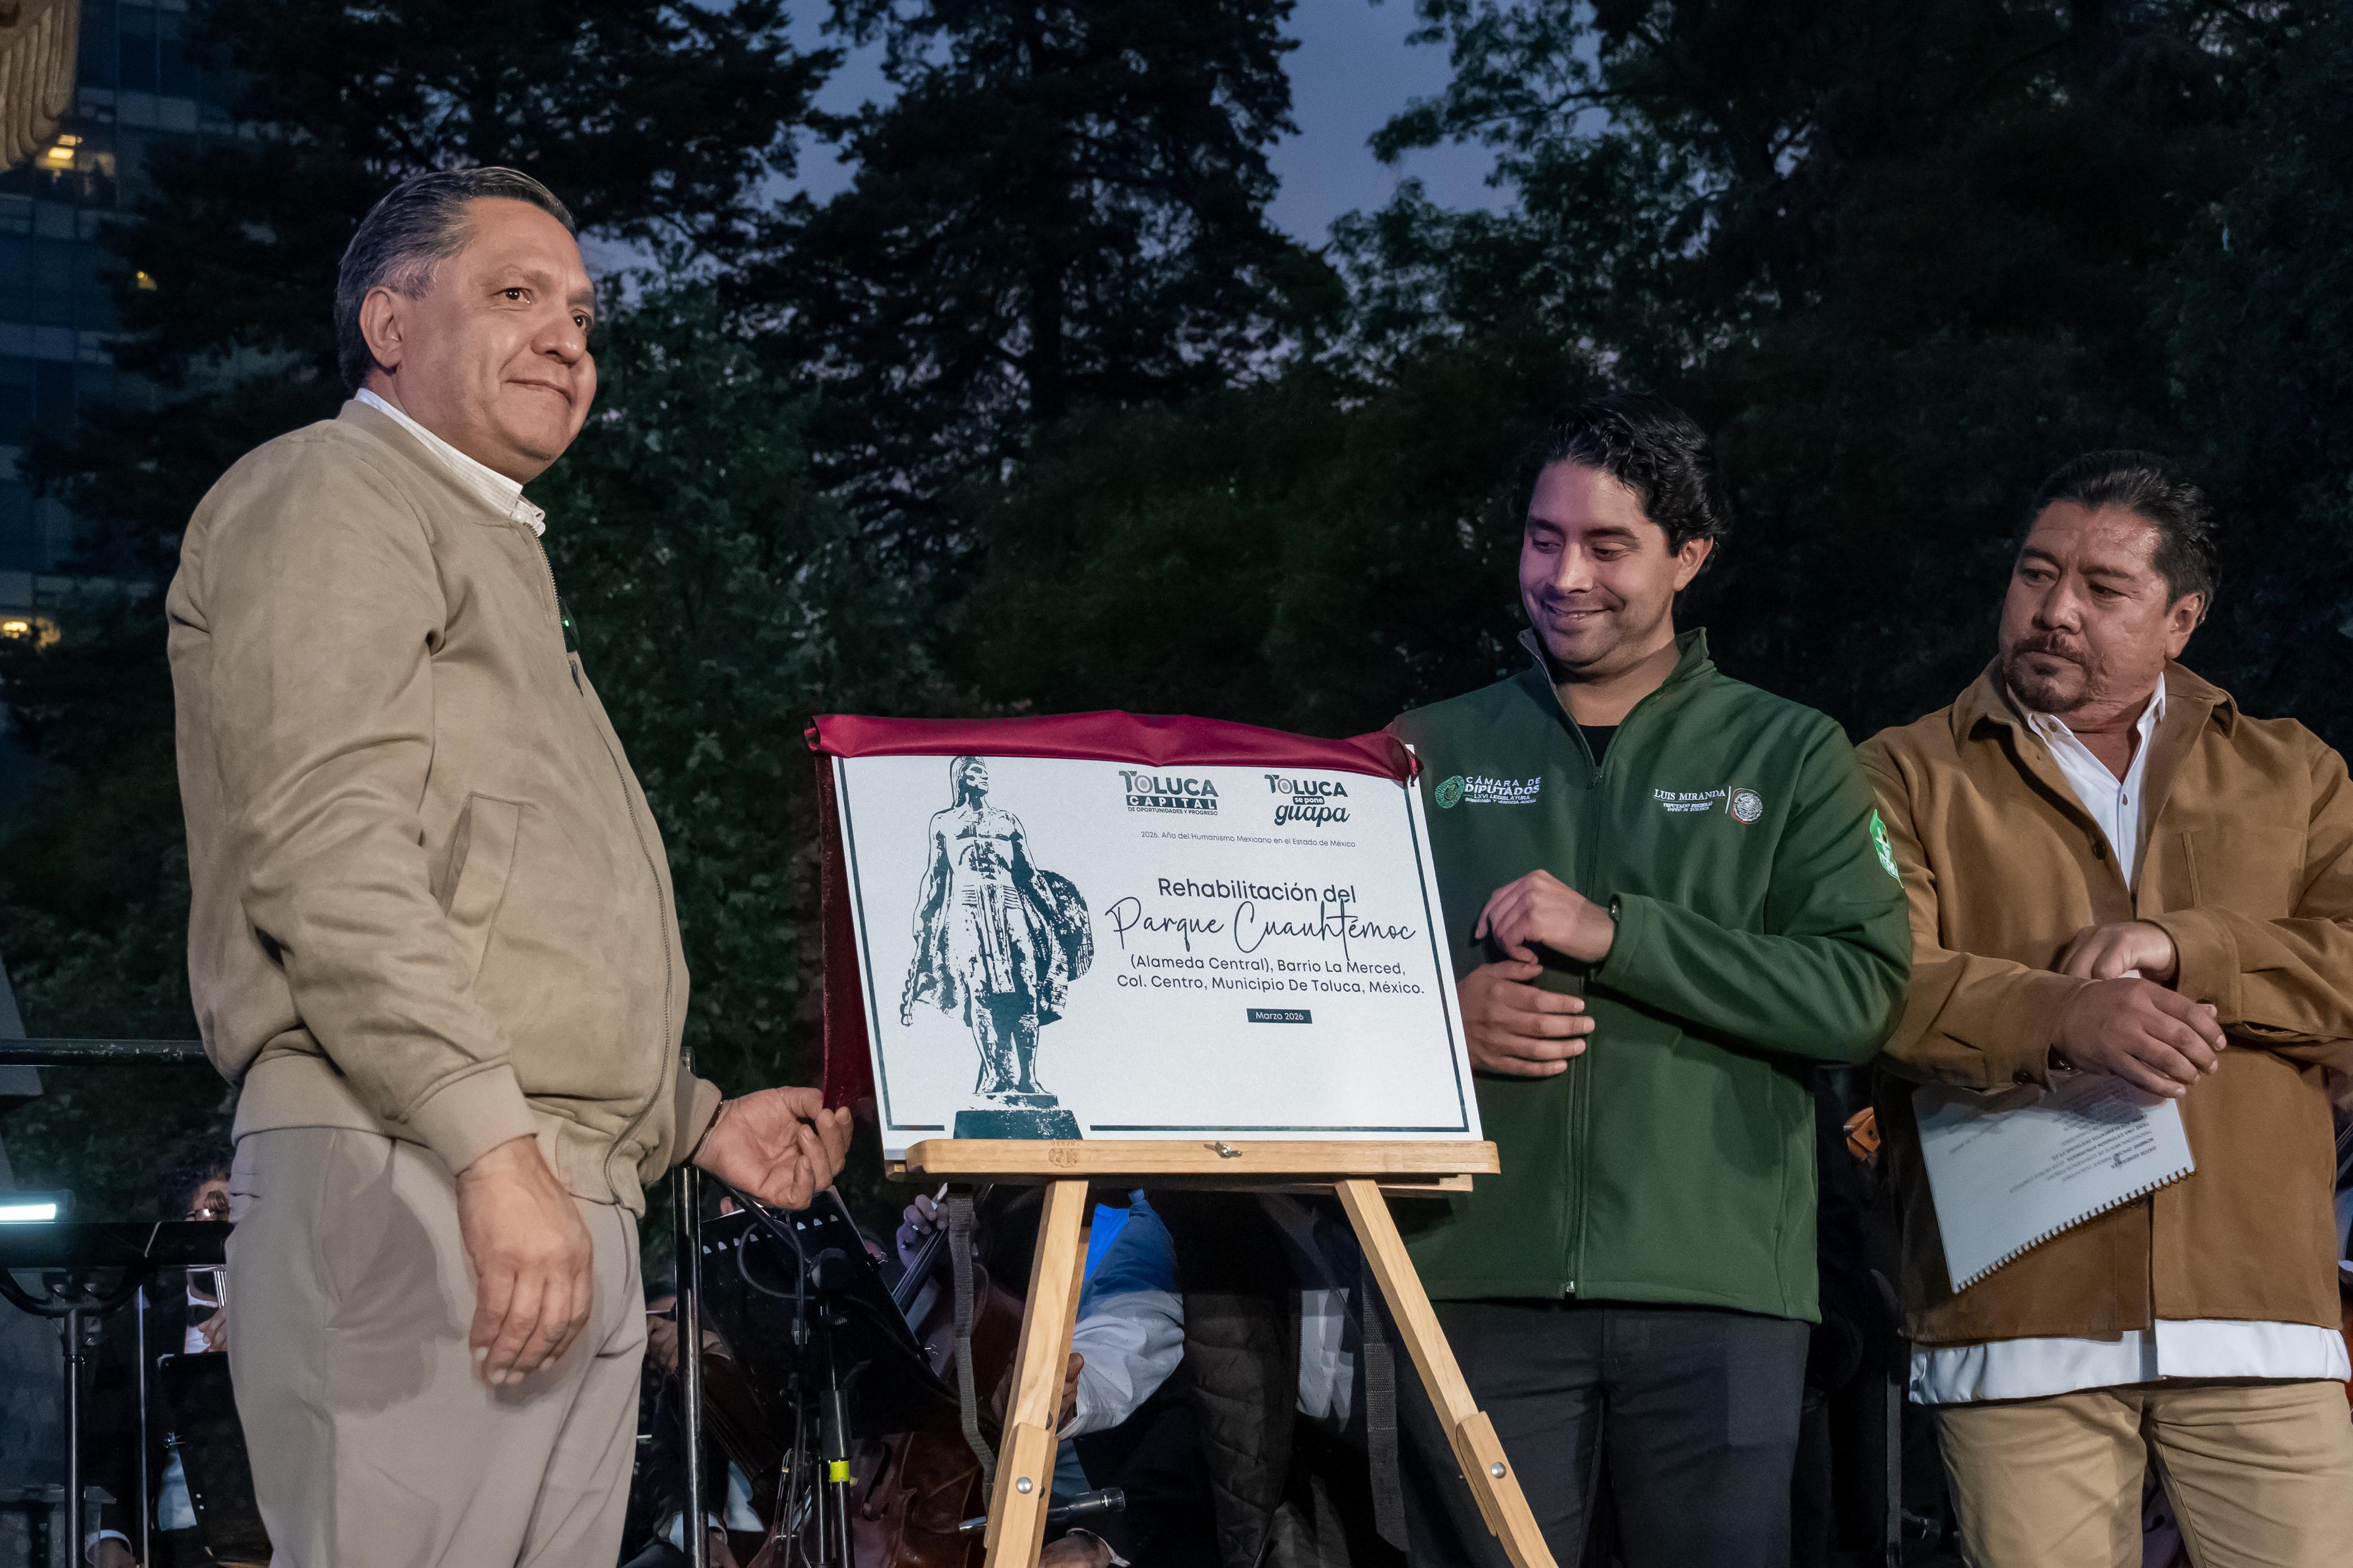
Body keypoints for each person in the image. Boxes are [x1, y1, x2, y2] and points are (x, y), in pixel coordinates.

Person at [165, 167, 851, 1568]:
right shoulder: (331, 491)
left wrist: (689, 1116)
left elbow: (504, 904)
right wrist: (491, 1143)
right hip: (422, 1164)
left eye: (585, 316)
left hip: (536, 1172)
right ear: (390, 322)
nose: (567, 340)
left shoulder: (495, 554)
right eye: (517, 296)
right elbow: (325, 852)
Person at [1390, 393, 1911, 1568]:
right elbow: (1322, 993)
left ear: (1689, 558)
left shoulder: (1790, 752)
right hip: (1468, 1275)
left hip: (1721, 1286)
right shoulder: (1423, 751)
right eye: (1541, 537)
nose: (1564, 574)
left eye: (1607, 545)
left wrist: (1618, 934)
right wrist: (1433, 1022)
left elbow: (1858, 994)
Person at [1862, 452, 2353, 1567]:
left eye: (2100, 588)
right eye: (2036, 575)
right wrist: (2058, 1016)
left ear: (2181, 617)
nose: (2053, 610)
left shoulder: (2295, 772)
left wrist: (2192, 946)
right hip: (2019, 1324)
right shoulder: (1899, 770)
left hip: (2260, 1319)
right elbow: (1869, 982)